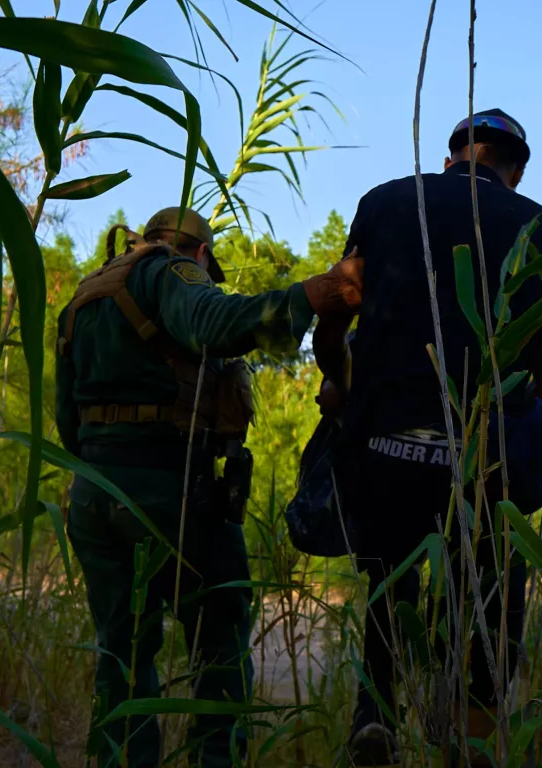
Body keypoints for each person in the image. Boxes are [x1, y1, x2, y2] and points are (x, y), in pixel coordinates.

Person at [314, 109, 542, 765]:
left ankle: (375, 710)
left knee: (385, 571)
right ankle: (476, 732)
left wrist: (338, 380)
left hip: (383, 442)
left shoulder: (384, 202)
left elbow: (334, 302)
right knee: (493, 581)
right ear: (514, 170)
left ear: (451, 156)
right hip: (486, 453)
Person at [55, 206, 363, 768]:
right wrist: (315, 295)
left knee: (120, 652)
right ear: (199, 252)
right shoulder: (170, 271)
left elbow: (65, 423)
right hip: (171, 493)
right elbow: (214, 323)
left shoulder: (85, 295)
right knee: (219, 643)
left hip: (93, 494)